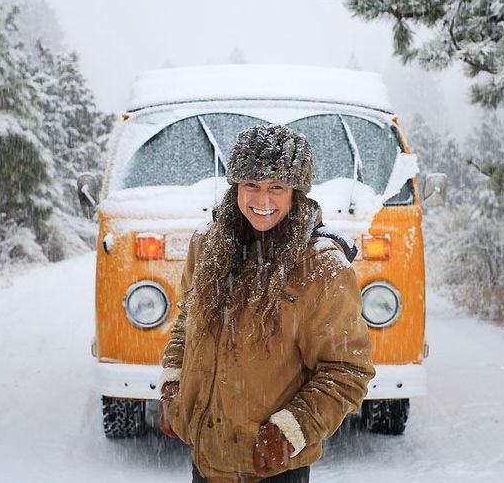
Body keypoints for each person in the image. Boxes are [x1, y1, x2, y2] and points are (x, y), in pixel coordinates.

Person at [158, 124, 375, 483]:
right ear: (235, 188)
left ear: (296, 194)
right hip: (206, 460)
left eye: (277, 187)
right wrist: (173, 388)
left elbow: (347, 370)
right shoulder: (207, 245)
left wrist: (290, 432)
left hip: (272, 468)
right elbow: (186, 323)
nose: (262, 201)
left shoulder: (321, 266)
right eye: (251, 186)